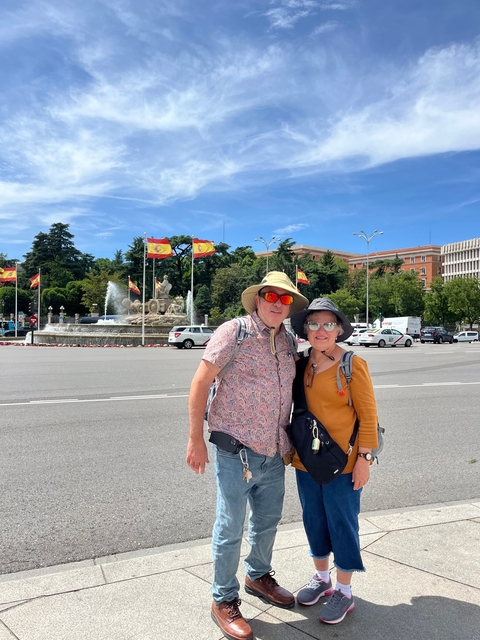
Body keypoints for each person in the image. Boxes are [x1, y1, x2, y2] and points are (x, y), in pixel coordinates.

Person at [187, 272, 308, 640]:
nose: (277, 303)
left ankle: (258, 575)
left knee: (268, 522)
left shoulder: (288, 340)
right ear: (258, 298)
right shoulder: (234, 331)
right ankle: (223, 598)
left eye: (285, 299)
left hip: (274, 451)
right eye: (271, 295)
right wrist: (195, 438)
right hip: (235, 452)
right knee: (230, 528)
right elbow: (200, 382)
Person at [289, 298, 378, 625]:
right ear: (305, 330)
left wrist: (365, 459)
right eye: (314, 324)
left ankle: (344, 590)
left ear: (339, 329)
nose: (321, 330)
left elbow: (369, 415)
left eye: (329, 324)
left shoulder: (352, 364)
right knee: (314, 520)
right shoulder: (299, 364)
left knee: (342, 522)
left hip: (344, 464)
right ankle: (322, 579)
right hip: (306, 461)